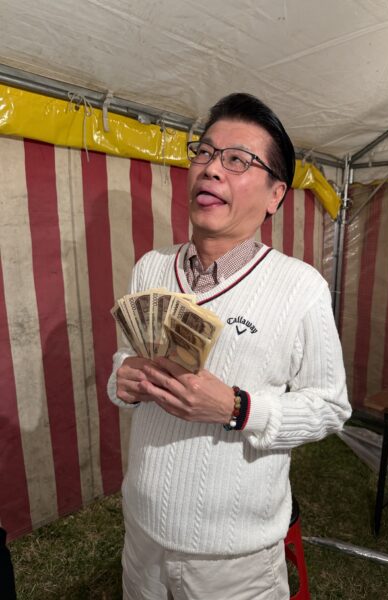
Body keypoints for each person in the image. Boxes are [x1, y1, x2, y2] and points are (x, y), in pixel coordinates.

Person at [107, 92, 351, 599]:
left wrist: (238, 408)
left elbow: (330, 407)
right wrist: (122, 379)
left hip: (236, 557)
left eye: (238, 160)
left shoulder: (301, 287)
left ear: (275, 195)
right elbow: (126, 356)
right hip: (143, 530)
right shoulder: (151, 267)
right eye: (205, 152)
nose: (212, 169)